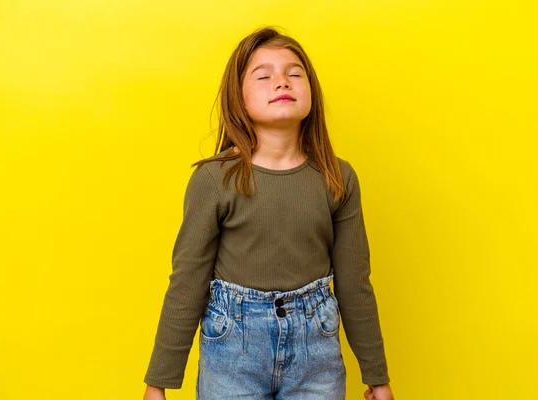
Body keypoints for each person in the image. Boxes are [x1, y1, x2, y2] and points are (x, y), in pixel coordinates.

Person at [143, 26, 395, 400]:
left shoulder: (338, 178)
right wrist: (158, 382)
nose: (282, 82)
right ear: (239, 99)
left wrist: (377, 375)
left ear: (311, 92)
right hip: (233, 354)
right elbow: (187, 281)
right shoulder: (214, 180)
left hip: (317, 355)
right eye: (264, 76)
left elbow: (355, 282)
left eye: (294, 73)